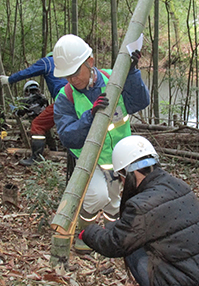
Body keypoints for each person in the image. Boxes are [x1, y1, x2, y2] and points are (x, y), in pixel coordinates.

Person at [80, 135, 199, 286]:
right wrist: (112, 227)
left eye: (120, 175)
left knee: (133, 251)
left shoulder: (142, 205)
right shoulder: (178, 185)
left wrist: (88, 231)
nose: (121, 181)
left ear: (128, 173)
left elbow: (115, 245)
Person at [52, 34, 150, 253]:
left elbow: (140, 102)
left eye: (76, 72)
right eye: (67, 76)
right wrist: (90, 116)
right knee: (97, 195)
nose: (73, 80)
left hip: (118, 158)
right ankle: (83, 235)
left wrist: (132, 71)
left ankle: (110, 238)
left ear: (91, 62)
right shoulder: (64, 97)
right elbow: (67, 136)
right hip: (89, 159)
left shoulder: (112, 80)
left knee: (114, 203)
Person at [0, 53, 68, 166]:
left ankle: (36, 158)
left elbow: (29, 71)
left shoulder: (48, 62)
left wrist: (10, 79)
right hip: (75, 98)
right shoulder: (67, 64)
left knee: (38, 125)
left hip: (64, 99)